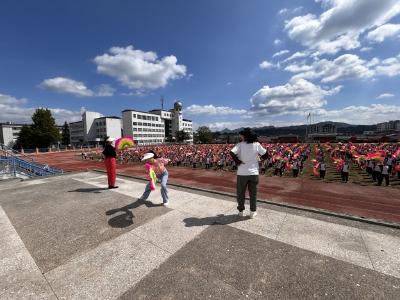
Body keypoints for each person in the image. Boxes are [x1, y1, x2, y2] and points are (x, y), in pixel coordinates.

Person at [230, 128, 268, 219]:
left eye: (242, 135)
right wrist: (259, 159)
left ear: (245, 136)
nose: (240, 136)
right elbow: (266, 155)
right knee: (253, 194)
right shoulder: (257, 144)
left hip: (242, 173)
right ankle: (252, 212)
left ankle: (241, 211)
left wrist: (238, 161)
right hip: (254, 173)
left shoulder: (240, 145)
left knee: (240, 193)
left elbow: (231, 152)